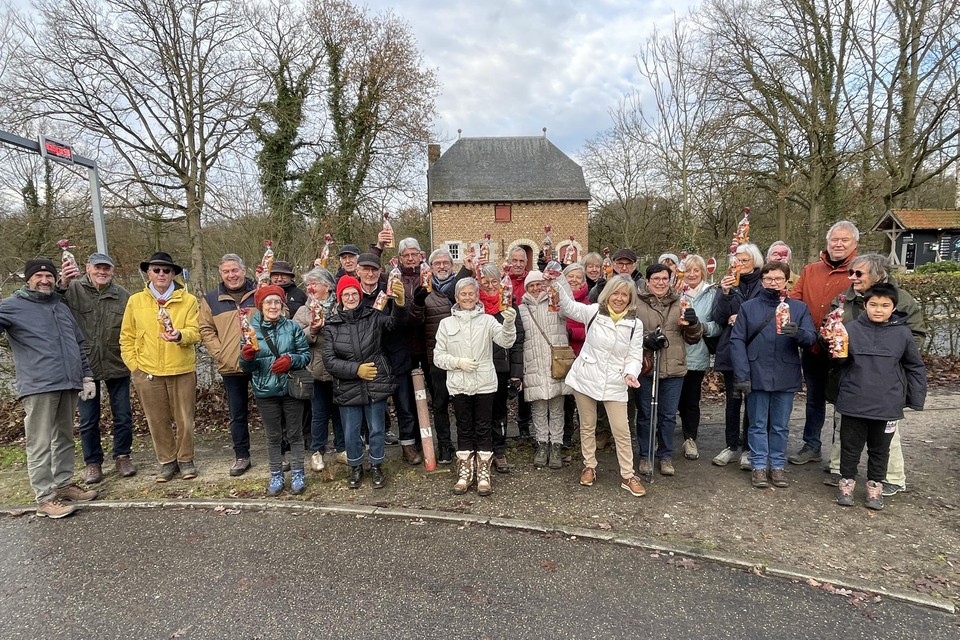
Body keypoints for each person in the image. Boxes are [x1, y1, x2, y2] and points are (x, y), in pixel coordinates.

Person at [0, 259, 98, 518]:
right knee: (40, 442)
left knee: (64, 438)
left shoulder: (59, 305)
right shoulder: (11, 307)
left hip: (68, 382)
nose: (45, 280)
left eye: (49, 276)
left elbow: (79, 343)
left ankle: (63, 484)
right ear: (28, 279)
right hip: (39, 385)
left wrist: (86, 375)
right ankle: (44, 497)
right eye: (39, 276)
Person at [823, 253, 926, 495]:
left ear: (878, 275)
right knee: (845, 426)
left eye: (859, 273)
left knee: (886, 437)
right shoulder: (844, 299)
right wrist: (830, 337)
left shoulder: (902, 300)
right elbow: (833, 329)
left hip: (885, 382)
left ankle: (891, 478)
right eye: (851, 272)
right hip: (850, 378)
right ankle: (842, 472)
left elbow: (916, 337)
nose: (852, 277)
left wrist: (887, 354)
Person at [556, 276, 647, 497]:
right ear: (608, 294)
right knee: (588, 424)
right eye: (616, 293)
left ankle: (627, 474)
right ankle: (590, 466)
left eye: (624, 294)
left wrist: (631, 373)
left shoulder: (635, 324)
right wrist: (557, 281)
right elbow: (568, 307)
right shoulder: (594, 311)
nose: (619, 298)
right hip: (586, 376)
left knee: (621, 430)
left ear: (630, 298)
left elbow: (635, 356)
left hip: (616, 381)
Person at [729, 261, 816, 489]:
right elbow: (737, 340)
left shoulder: (798, 308)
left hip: (785, 373)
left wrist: (798, 334)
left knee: (780, 425)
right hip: (756, 371)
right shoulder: (749, 307)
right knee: (757, 423)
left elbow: (811, 338)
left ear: (787, 280)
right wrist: (742, 374)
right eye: (768, 279)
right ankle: (758, 465)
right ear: (762, 280)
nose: (773, 283)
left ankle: (777, 465)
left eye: (778, 279)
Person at [120, 252, 201, 483]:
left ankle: (186, 460)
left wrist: (180, 336)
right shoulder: (135, 301)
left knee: (185, 418)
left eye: (166, 270)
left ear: (174, 273)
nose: (162, 274)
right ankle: (167, 462)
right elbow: (126, 337)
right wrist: (135, 367)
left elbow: (196, 333)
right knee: (157, 420)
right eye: (157, 270)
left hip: (181, 369)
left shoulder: (189, 300)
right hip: (148, 372)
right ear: (148, 273)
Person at [434, 277, 517, 495]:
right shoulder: (446, 324)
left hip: (484, 383)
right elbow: (438, 357)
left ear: (477, 296)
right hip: (459, 383)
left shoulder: (488, 321)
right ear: (457, 297)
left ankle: (483, 473)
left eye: (471, 293)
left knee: (483, 427)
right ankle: (465, 471)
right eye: (464, 294)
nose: (468, 297)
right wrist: (457, 363)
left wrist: (508, 323)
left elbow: (506, 342)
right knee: (464, 427)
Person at [57, 252, 135, 483]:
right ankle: (93, 463)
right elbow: (48, 302)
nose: (102, 272)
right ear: (88, 268)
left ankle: (122, 456)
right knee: (89, 418)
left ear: (112, 271)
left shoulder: (122, 296)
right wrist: (62, 284)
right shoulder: (72, 290)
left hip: (116, 362)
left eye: (106, 268)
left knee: (122, 415)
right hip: (85, 366)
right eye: (97, 268)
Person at [322, 276, 406, 489]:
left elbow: (395, 324)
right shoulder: (332, 325)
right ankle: (355, 466)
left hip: (375, 381)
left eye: (354, 294)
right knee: (351, 431)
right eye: (345, 294)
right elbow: (329, 361)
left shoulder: (373, 316)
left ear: (360, 296)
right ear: (340, 298)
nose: (350, 298)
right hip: (348, 384)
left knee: (377, 428)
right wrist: (355, 370)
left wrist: (399, 304)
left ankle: (376, 465)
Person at [788, 221, 860, 465]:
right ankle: (812, 444)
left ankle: (840, 455)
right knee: (814, 398)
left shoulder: (859, 271)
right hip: (813, 346)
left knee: (845, 400)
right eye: (834, 240)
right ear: (827, 242)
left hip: (846, 350)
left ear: (854, 244)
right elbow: (794, 300)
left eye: (844, 240)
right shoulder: (811, 271)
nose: (838, 244)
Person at [239, 284, 312, 496]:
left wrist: (291, 360)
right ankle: (276, 474)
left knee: (295, 434)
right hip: (265, 390)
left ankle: (298, 472)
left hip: (291, 389)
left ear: (282, 305)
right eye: (268, 302)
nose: (273, 306)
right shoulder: (250, 331)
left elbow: (306, 355)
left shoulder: (292, 327)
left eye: (277, 302)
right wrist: (247, 357)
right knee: (273, 436)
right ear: (260, 306)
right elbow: (245, 367)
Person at [634, 263, 703, 477]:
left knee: (668, 415)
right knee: (646, 414)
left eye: (664, 279)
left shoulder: (680, 301)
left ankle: (665, 455)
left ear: (670, 280)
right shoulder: (636, 302)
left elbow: (693, 337)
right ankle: (645, 455)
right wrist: (645, 341)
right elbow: (627, 333)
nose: (660, 283)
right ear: (648, 281)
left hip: (674, 368)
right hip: (646, 367)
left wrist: (693, 324)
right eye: (656, 279)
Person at [199, 253, 257, 477]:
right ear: (221, 273)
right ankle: (242, 456)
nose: (231, 275)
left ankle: (278, 453)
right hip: (231, 364)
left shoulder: (259, 291)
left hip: (259, 362)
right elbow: (205, 329)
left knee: (270, 410)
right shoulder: (211, 299)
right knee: (238, 414)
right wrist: (220, 353)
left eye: (235, 270)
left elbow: (276, 317)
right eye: (226, 271)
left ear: (243, 270)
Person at [710, 242, 764, 469]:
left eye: (745, 260)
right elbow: (718, 316)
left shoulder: (765, 282)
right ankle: (731, 445)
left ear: (755, 262)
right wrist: (723, 294)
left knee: (753, 401)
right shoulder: (728, 284)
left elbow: (770, 312)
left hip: (758, 351)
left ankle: (749, 449)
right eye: (737, 260)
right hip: (732, 350)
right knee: (733, 401)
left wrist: (742, 318)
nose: (740, 265)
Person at [356, 252, 411, 451]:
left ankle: (408, 444)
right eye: (366, 269)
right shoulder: (353, 294)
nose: (370, 274)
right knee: (369, 405)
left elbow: (400, 324)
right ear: (358, 271)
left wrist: (400, 303)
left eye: (374, 270)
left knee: (404, 405)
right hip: (368, 359)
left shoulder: (389, 290)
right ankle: (371, 445)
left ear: (380, 272)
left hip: (395, 355)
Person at [293, 267, 345, 471]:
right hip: (315, 370)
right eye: (308, 284)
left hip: (339, 369)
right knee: (319, 414)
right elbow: (295, 339)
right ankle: (317, 452)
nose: (310, 288)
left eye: (314, 283)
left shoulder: (340, 307)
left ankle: (342, 449)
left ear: (328, 286)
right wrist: (312, 331)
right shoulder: (303, 311)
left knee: (341, 412)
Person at [518, 270, 571, 469]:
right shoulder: (521, 309)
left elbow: (570, 302)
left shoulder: (555, 303)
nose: (535, 288)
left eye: (539, 284)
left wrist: (558, 280)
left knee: (557, 407)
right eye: (531, 285)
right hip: (533, 363)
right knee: (538, 408)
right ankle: (542, 443)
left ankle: (556, 444)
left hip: (555, 363)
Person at [409, 248, 458, 463]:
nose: (442, 266)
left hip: (462, 357)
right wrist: (418, 302)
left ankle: (466, 444)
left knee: (462, 403)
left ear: (452, 265)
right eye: (437, 263)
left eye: (445, 262)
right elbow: (414, 323)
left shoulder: (462, 287)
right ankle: (445, 446)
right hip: (436, 357)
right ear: (431, 267)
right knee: (440, 404)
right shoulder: (425, 289)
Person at [475, 263, 524, 473]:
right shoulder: (474, 307)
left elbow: (518, 342)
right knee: (479, 412)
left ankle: (500, 449)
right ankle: (481, 449)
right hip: (477, 367)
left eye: (494, 281)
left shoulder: (509, 308)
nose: (490, 286)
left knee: (499, 411)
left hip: (501, 367)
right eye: (485, 282)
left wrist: (516, 374)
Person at [676, 255, 721, 461]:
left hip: (697, 353)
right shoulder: (675, 291)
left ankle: (690, 438)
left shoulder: (712, 294)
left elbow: (718, 325)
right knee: (671, 399)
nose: (692, 274)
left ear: (703, 272)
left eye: (696, 270)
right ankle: (664, 436)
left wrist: (701, 327)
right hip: (674, 354)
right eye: (688, 270)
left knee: (691, 400)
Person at [506, 245, 533, 439]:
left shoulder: (531, 281)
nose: (517, 264)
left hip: (529, 336)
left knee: (526, 382)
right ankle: (502, 426)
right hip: (505, 336)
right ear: (508, 261)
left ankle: (524, 424)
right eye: (514, 260)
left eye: (521, 261)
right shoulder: (502, 281)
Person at [562, 262, 590, 449]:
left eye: (578, 277)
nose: (574, 280)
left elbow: (593, 329)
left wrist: (572, 333)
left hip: (582, 355)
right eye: (570, 276)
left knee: (583, 398)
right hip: (562, 355)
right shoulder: (558, 299)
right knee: (565, 399)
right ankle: (566, 434)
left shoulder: (588, 302)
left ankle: (585, 435)